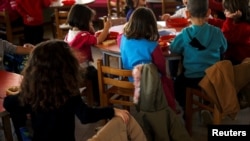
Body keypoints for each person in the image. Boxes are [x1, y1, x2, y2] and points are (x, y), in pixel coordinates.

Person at [3, 40, 130, 141]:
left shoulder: (33, 92)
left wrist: (25, 109)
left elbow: (9, 103)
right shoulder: (69, 91)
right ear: (67, 66)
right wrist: (112, 110)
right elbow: (86, 115)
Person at [169, 0, 227, 119]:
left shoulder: (184, 34)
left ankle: (186, 108)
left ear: (187, 14)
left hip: (191, 77)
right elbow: (224, 48)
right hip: (212, 77)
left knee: (176, 85)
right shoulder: (217, 32)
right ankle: (207, 106)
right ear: (208, 12)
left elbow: (174, 48)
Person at [119, 7, 177, 112]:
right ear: (151, 26)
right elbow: (161, 65)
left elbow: (119, 39)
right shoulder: (152, 45)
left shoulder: (122, 38)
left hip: (131, 78)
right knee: (167, 80)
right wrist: (165, 74)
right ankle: (169, 110)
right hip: (150, 82)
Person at [64, 4, 112, 106]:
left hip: (72, 69)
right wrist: (107, 27)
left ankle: (94, 95)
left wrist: (91, 29)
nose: (91, 23)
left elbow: (92, 37)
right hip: (81, 71)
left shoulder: (70, 33)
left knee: (95, 72)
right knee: (97, 74)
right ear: (83, 21)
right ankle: (99, 100)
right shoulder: (82, 35)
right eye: (89, 21)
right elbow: (98, 40)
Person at [208, 0, 250, 65]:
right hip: (232, 58)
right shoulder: (236, 22)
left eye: (227, 10)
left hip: (239, 62)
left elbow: (225, 36)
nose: (224, 12)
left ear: (236, 12)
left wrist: (229, 18)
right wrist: (207, 20)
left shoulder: (245, 27)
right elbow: (222, 23)